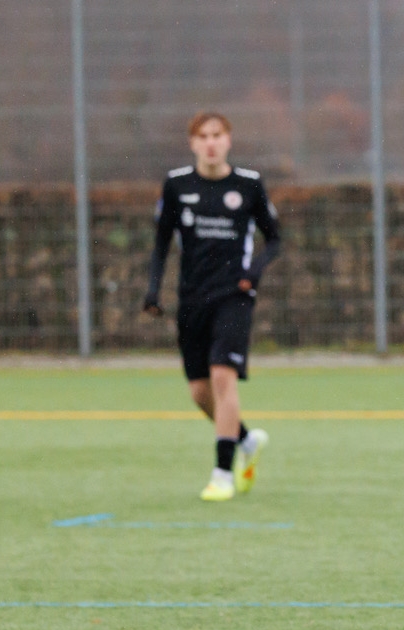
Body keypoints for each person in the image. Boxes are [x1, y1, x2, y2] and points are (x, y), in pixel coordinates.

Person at [144, 111, 281, 501]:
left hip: (234, 296)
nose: (210, 142)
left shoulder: (248, 185)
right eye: (203, 136)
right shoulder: (176, 185)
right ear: (192, 143)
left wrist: (252, 273)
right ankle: (245, 440)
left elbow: (274, 239)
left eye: (217, 135)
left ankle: (222, 473)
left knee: (223, 377)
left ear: (228, 140)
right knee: (200, 392)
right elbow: (161, 242)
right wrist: (153, 290)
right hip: (192, 299)